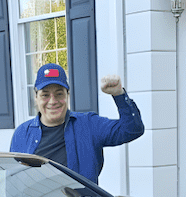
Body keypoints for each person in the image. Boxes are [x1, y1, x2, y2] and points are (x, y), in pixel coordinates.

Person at [10, 63, 144, 184]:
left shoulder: (89, 124)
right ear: (36, 97)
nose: (52, 101)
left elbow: (132, 129)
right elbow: (13, 180)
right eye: (45, 95)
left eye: (59, 94)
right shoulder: (22, 133)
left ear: (67, 95)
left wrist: (119, 95)